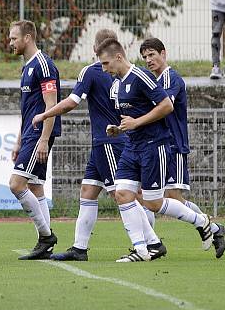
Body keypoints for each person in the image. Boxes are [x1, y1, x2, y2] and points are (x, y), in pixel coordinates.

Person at [31, 29, 165, 261]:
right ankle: (79, 248)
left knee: (123, 195)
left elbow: (71, 102)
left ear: (96, 49)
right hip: (107, 142)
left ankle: (153, 242)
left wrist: (45, 114)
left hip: (109, 143)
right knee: (88, 191)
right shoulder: (121, 74)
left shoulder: (92, 72)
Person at [97, 39, 215, 262]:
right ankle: (142, 249)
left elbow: (166, 106)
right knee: (122, 194)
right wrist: (119, 128)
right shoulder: (118, 84)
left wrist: (136, 122)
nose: (104, 69)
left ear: (118, 57)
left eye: (105, 63)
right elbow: (131, 118)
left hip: (154, 146)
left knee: (153, 202)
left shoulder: (141, 76)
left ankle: (202, 222)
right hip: (132, 146)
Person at [140, 37, 225, 258]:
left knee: (172, 197)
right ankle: (149, 243)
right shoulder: (152, 80)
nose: (149, 60)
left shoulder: (172, 78)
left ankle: (212, 228)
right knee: (147, 197)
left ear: (163, 53)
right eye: (145, 57)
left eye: (152, 55)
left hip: (173, 145)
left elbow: (163, 106)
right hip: (154, 146)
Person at [7, 20, 62, 260]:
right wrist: (19, 140)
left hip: (39, 135)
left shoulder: (44, 65)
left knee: (16, 184)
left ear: (27, 38)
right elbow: (26, 109)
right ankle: (46, 245)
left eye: (13, 38)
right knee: (36, 187)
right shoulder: (26, 67)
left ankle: (46, 236)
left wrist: (43, 139)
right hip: (29, 135)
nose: (10, 43)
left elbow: (52, 106)